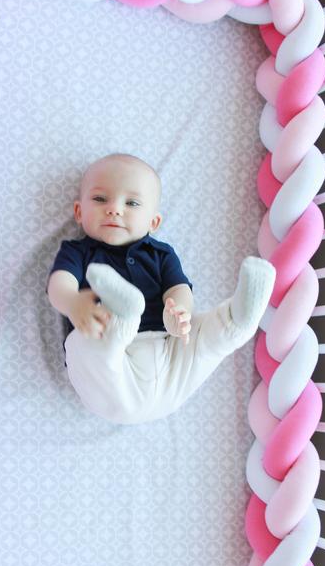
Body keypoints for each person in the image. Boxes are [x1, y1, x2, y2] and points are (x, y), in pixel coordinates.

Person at [47, 153, 276, 425]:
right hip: (112, 374)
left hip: (169, 358)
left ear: (153, 222)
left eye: (131, 203)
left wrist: (179, 313)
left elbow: (179, 289)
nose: (114, 209)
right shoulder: (78, 252)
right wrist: (72, 302)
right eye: (100, 199)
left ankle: (237, 320)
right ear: (79, 212)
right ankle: (122, 318)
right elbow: (59, 284)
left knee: (202, 338)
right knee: (84, 346)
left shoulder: (161, 254)